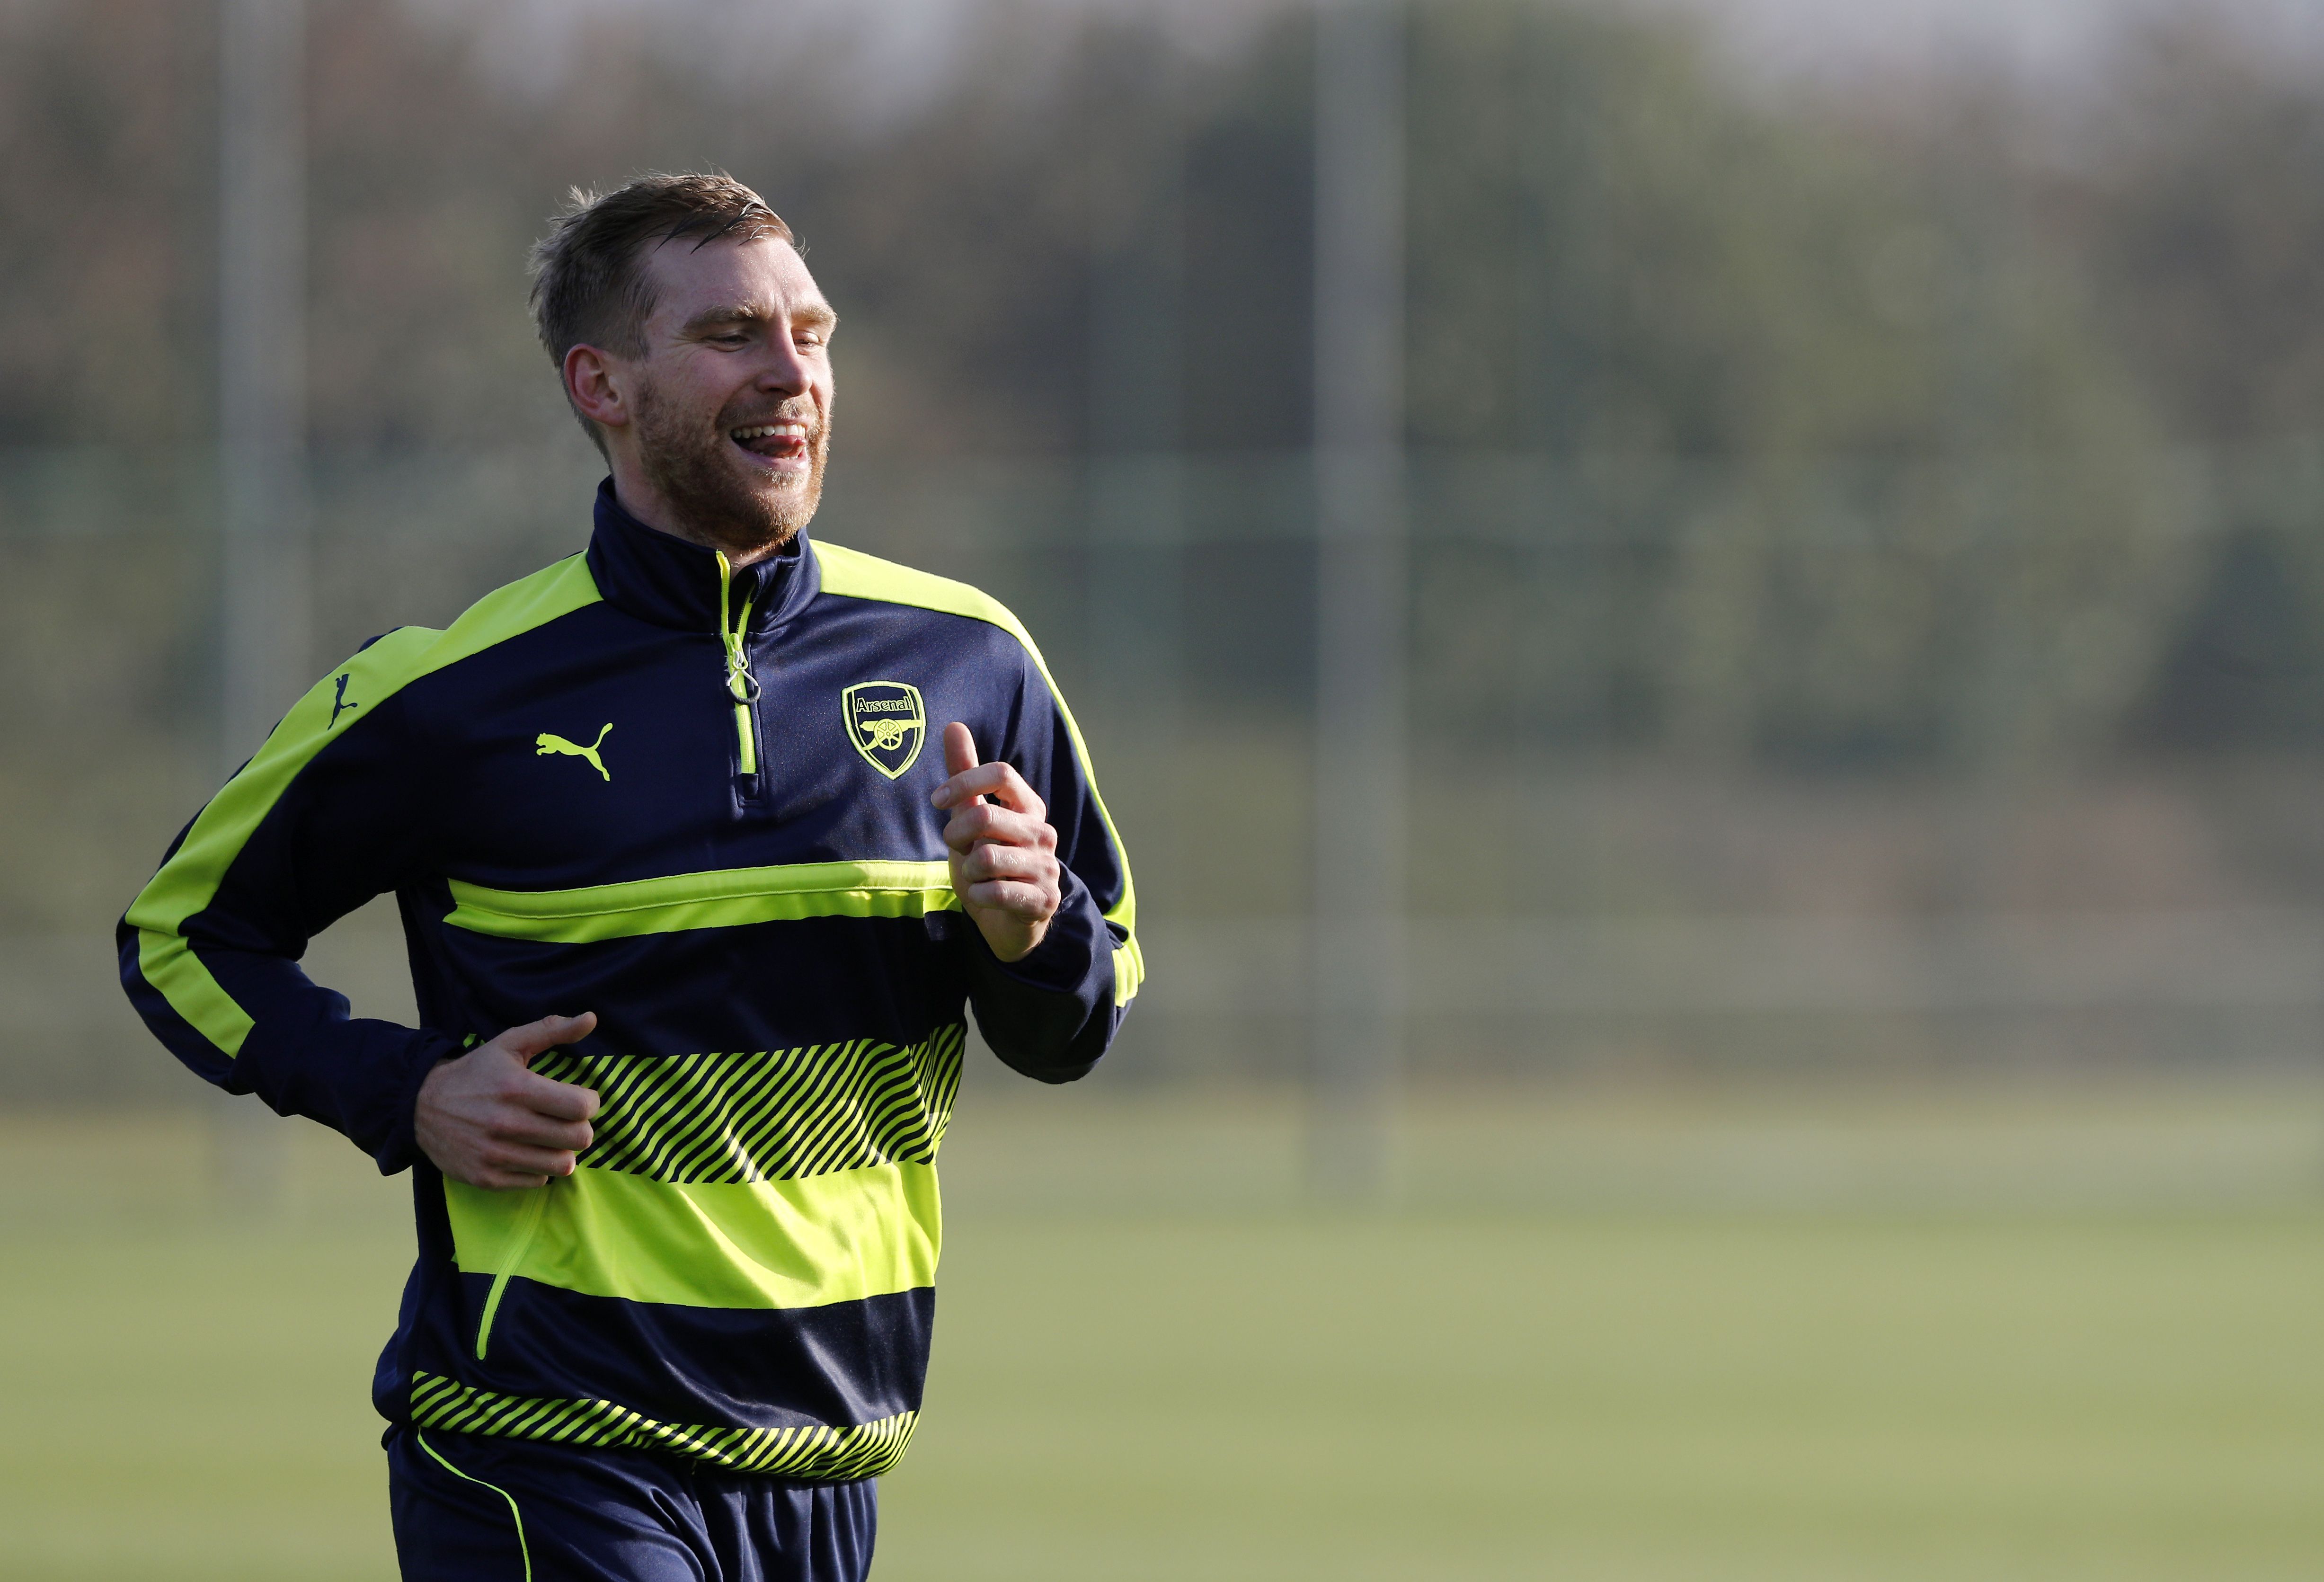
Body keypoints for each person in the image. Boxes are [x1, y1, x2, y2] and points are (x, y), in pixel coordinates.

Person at [117, 171, 1141, 1582]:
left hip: (826, 1463)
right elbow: (182, 937)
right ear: (600, 382)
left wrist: (1035, 932)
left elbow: (1077, 1021)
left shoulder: (971, 660)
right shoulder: (451, 694)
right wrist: (403, 1087)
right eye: (733, 334)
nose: (794, 373)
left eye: (815, 331)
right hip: (543, 1443)